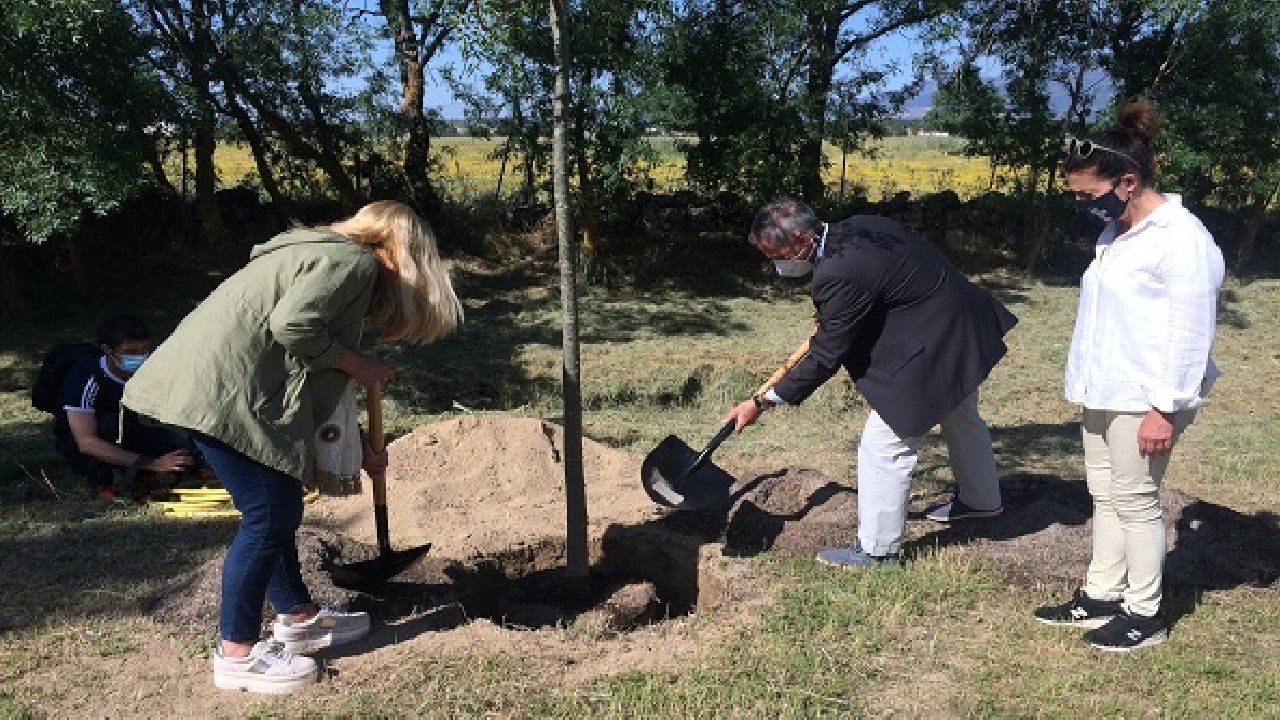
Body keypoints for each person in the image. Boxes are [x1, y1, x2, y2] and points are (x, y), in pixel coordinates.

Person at [123, 200, 464, 693]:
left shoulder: (318, 254)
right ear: (401, 253)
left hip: (219, 390)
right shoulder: (351, 262)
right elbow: (294, 326)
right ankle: (237, 654)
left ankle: (299, 617)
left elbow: (312, 373)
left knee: (276, 504)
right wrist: (357, 363)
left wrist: (358, 446)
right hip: (220, 395)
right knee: (269, 514)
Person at [725, 199, 1018, 568]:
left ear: (800, 239)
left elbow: (825, 357)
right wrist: (835, 315)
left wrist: (764, 400)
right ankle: (981, 501)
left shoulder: (837, 272)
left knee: (883, 449)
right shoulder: (860, 226)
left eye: (776, 254)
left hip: (936, 342)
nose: (776, 264)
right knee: (961, 415)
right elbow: (881, 285)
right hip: (961, 323)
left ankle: (878, 551)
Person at [1033, 100, 1224, 652]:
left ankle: (1145, 613)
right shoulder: (1116, 231)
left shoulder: (1180, 238)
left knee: (1137, 499)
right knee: (1106, 494)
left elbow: (1191, 330)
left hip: (1147, 395)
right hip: (1104, 388)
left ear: (1129, 181)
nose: (1081, 204)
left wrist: (1165, 407)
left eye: (1087, 194)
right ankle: (1101, 594)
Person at [53, 314, 195, 499]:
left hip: (127, 429)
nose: (140, 357)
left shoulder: (147, 371)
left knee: (181, 444)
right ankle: (104, 482)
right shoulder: (86, 378)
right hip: (88, 442)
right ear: (108, 350)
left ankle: (147, 472)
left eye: (144, 349)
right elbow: (86, 442)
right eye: (131, 351)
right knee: (110, 425)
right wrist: (151, 463)